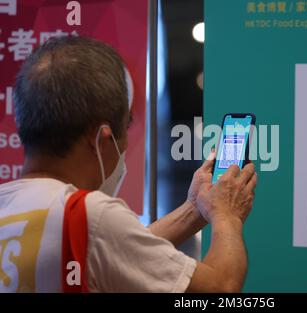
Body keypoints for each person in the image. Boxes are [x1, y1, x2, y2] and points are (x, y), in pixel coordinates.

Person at [0, 36, 257, 293]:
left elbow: (118, 250)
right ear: (102, 138)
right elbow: (222, 288)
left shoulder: (10, 204)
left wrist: (194, 209)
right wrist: (227, 216)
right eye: (125, 130)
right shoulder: (91, 215)